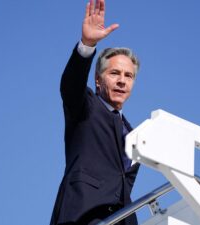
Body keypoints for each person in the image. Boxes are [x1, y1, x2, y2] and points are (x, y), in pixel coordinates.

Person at [50, 0, 140, 224]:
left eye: (128, 76)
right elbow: (71, 85)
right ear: (98, 81)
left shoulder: (135, 135)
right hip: (81, 213)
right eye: (114, 73)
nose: (121, 81)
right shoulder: (87, 106)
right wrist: (87, 45)